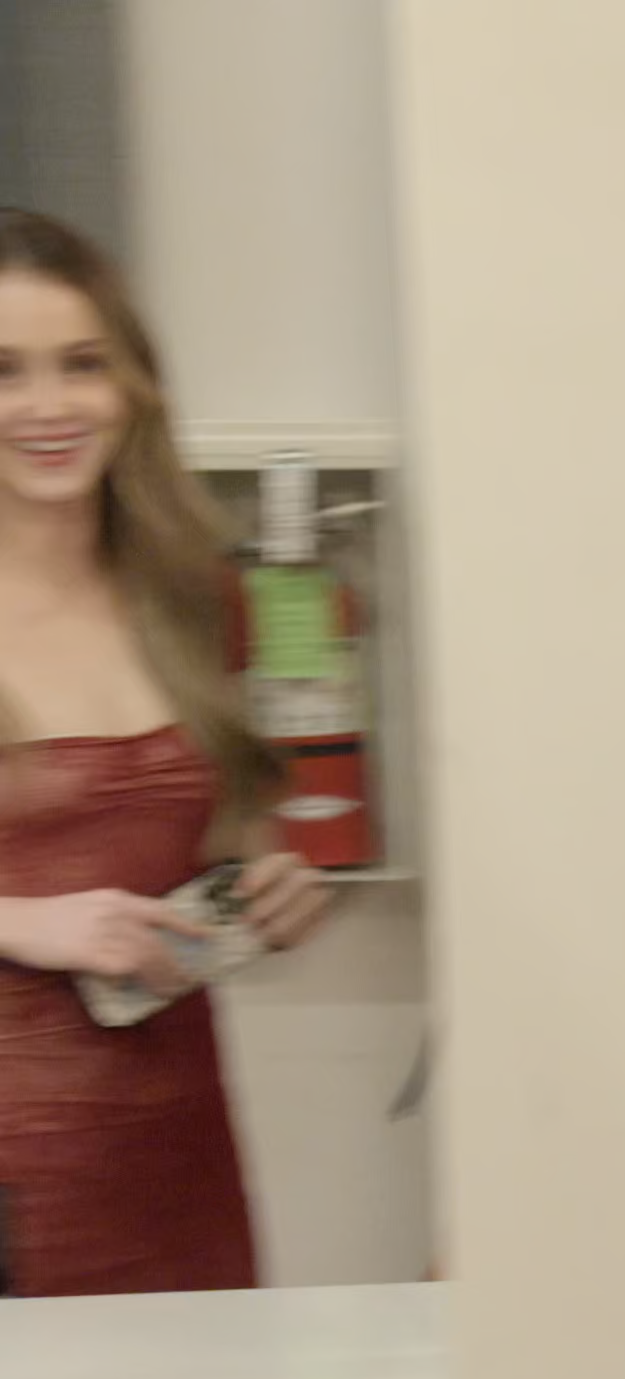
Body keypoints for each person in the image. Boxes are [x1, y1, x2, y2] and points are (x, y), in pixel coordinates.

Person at [0, 209, 327, 1297]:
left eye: (82, 364)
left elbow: (231, 848)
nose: (49, 406)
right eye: (5, 373)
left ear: (134, 385)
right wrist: (25, 922)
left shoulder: (196, 602)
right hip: (16, 1190)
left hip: (173, 1160)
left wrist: (272, 894)